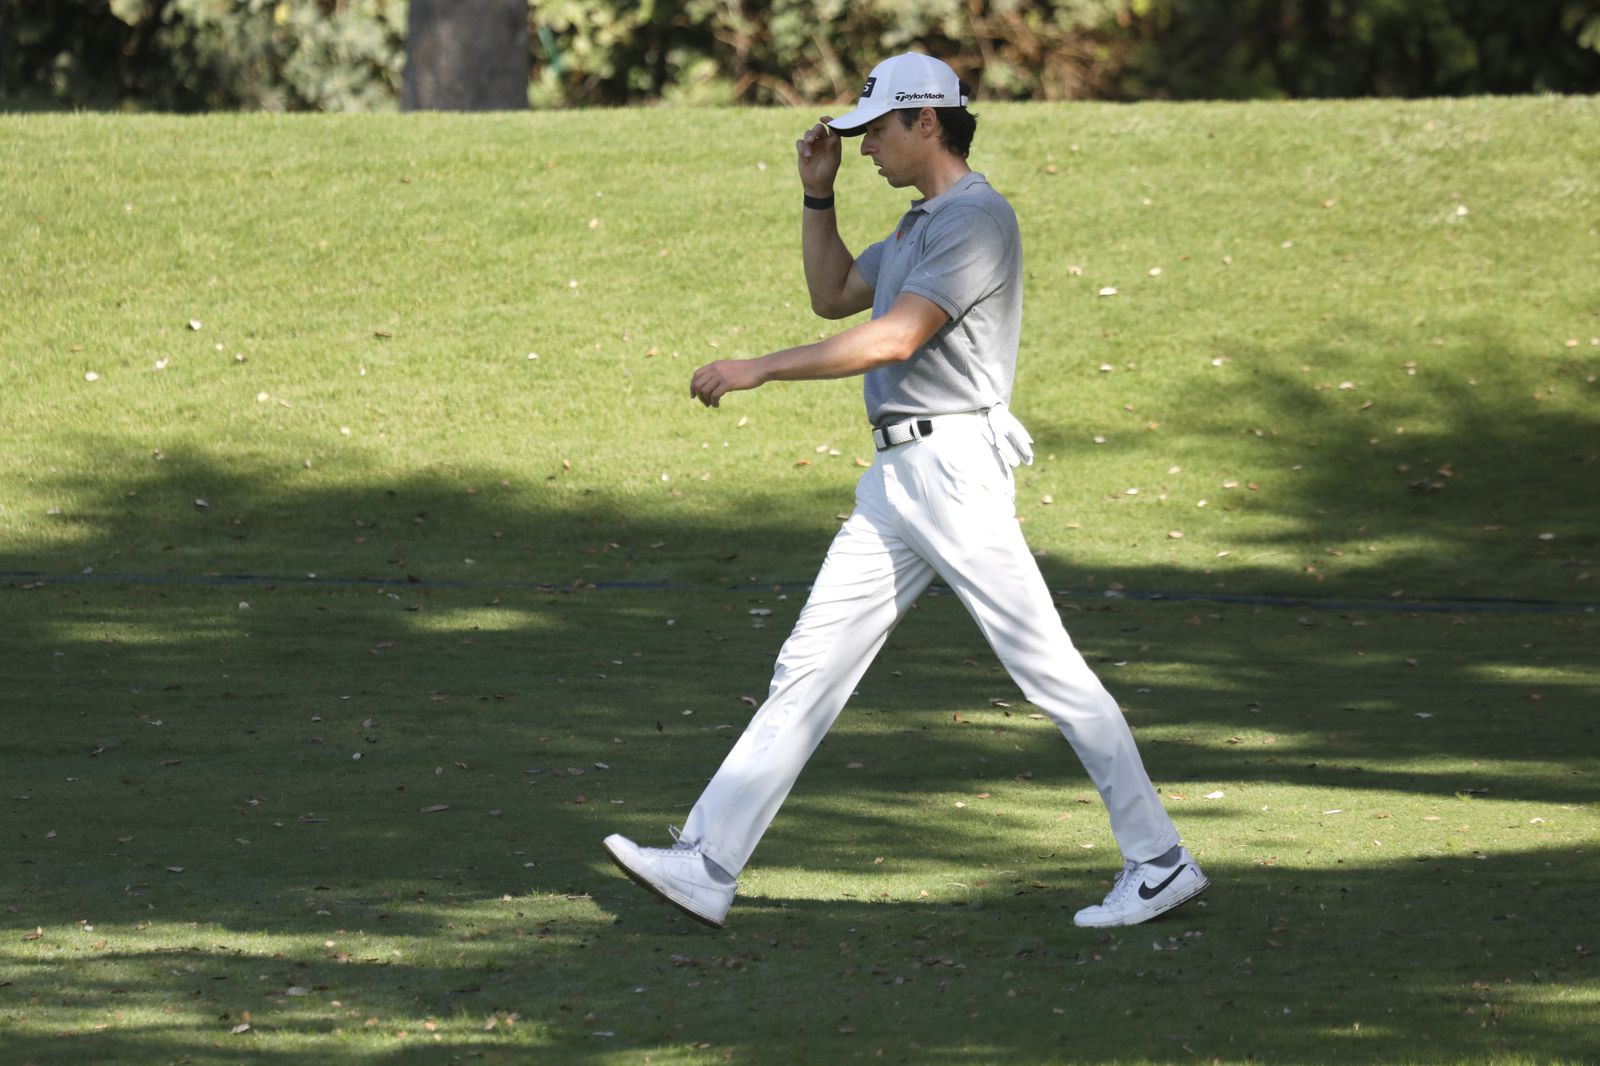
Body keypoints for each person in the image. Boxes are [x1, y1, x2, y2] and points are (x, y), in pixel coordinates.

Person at [604, 52, 1207, 930]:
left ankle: (1159, 860)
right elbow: (830, 294)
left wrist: (759, 369)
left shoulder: (977, 220)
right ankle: (707, 861)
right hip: (900, 478)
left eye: (875, 131)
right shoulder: (922, 225)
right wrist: (818, 195)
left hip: (954, 470)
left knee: (1047, 669)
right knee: (808, 666)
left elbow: (893, 339)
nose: (865, 149)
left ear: (927, 121)